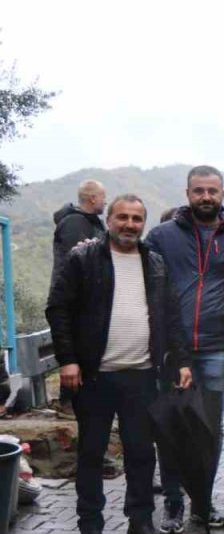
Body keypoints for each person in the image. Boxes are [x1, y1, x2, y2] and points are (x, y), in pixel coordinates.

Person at [45, 194, 193, 534]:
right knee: (92, 453)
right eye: (122, 217)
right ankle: (90, 528)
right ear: (108, 220)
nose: (129, 224)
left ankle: (140, 522)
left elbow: (171, 317)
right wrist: (68, 360)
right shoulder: (83, 259)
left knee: (142, 454)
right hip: (94, 377)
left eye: (137, 219)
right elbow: (58, 309)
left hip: (141, 376)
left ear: (144, 224)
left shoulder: (154, 263)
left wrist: (182, 361)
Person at [145, 165, 224, 534]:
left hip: (215, 347)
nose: (205, 197)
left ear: (223, 194)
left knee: (209, 428)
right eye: (198, 191)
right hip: (171, 349)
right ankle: (174, 502)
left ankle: (202, 503)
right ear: (188, 193)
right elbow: (131, 264)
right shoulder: (161, 236)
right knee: (171, 424)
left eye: (212, 190)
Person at [50, 179, 108, 420]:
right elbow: (77, 264)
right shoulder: (75, 223)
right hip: (76, 302)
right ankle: (68, 404)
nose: (105, 201)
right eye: (103, 197)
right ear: (93, 198)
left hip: (92, 304)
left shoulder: (91, 223)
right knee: (75, 349)